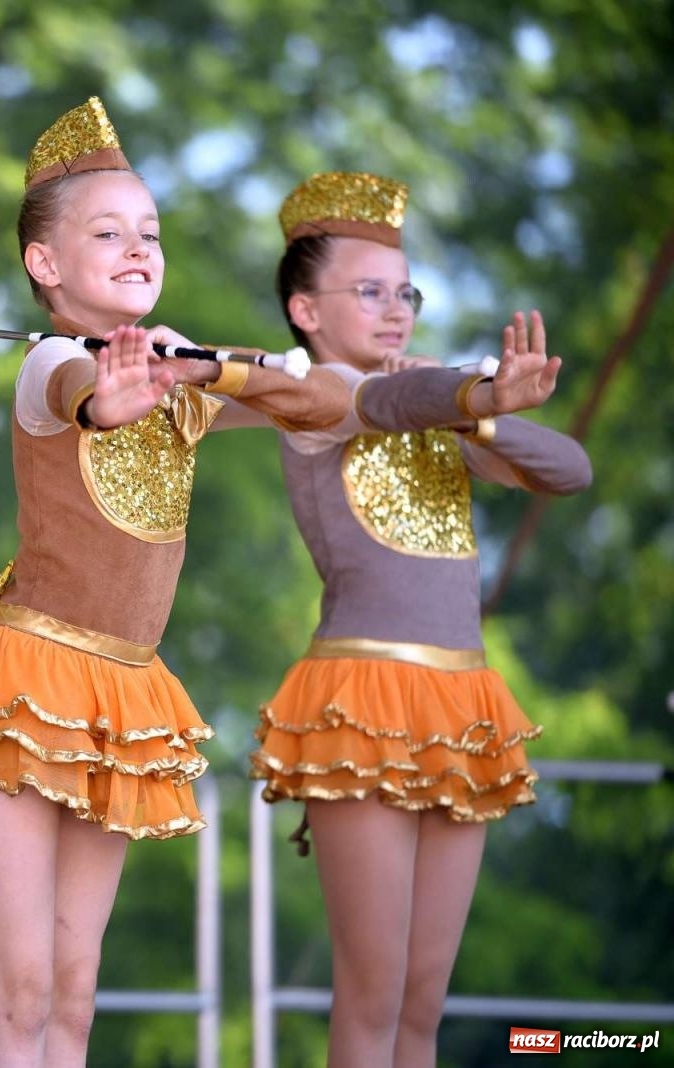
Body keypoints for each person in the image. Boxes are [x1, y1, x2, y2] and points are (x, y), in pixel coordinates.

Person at [0, 98, 350, 1067]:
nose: (138, 247)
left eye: (150, 232)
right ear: (44, 266)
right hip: (18, 689)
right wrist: (116, 395)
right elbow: (80, 397)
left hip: (118, 694)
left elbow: (317, 399)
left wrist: (212, 369)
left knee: (75, 986)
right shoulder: (50, 360)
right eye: (107, 232)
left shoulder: (179, 383)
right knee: (17, 985)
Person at [247, 171, 592, 1068]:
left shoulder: (443, 413)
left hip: (459, 705)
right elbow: (384, 402)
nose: (395, 309)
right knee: (371, 990)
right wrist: (467, 393)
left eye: (406, 292)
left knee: (421, 1000)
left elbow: (569, 469)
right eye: (369, 292)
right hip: (361, 700)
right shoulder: (311, 395)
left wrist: (480, 415)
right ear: (305, 309)